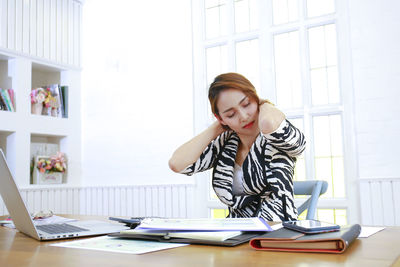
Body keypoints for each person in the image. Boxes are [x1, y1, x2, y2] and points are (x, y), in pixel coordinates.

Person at [168, 73, 306, 221]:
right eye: (231, 114)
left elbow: (268, 125)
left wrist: (265, 103)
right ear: (220, 118)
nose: (243, 116)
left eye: (247, 104)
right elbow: (177, 163)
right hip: (236, 230)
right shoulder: (227, 142)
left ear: (255, 98)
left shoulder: (277, 133)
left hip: (276, 229)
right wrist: (217, 127)